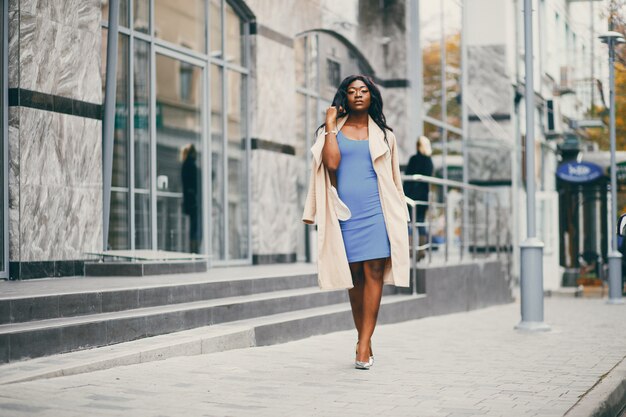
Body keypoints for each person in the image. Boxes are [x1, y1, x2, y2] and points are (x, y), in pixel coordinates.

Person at [302, 75, 410, 370]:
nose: (358, 95)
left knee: (374, 272)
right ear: (344, 97)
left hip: (378, 211)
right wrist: (328, 121)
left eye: (363, 91)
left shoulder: (386, 135)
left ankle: (363, 346)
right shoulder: (332, 130)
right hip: (345, 214)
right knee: (355, 279)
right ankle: (365, 336)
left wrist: (401, 217)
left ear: (372, 96)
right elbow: (332, 164)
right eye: (351, 91)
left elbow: (395, 180)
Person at [403, 136, 434, 259]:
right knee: (420, 223)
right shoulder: (428, 161)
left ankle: (410, 251)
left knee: (409, 223)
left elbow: (407, 178)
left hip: (410, 196)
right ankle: (421, 251)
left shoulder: (414, 159)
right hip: (422, 197)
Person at [181, 144, 201, 253]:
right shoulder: (191, 165)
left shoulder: (185, 164)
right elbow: (195, 181)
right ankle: (194, 250)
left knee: (192, 227)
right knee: (195, 227)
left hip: (188, 200)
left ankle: (192, 249)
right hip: (193, 201)